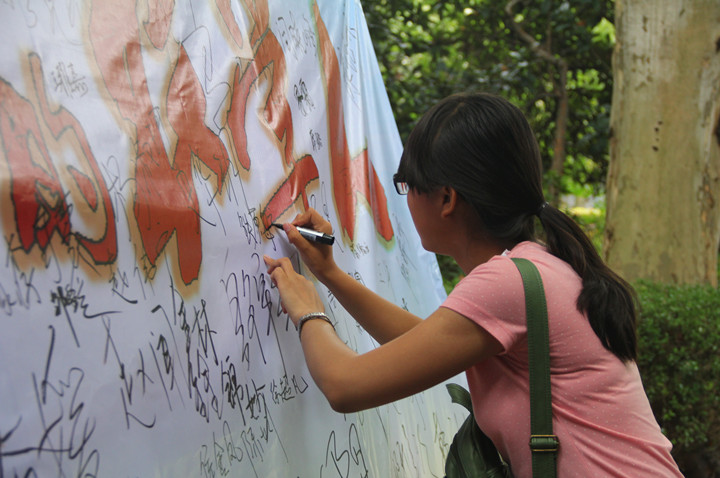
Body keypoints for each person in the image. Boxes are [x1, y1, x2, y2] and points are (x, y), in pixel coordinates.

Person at [263, 92, 683, 477]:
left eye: (407, 185)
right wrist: (330, 274)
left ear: (446, 199)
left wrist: (308, 310)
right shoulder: (539, 266)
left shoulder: (506, 283)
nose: (405, 199)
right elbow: (423, 343)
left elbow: (345, 386)